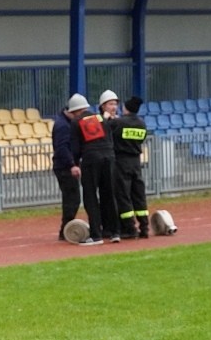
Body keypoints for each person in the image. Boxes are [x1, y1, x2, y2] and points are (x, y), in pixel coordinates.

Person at [72, 91, 119, 244]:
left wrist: (74, 163)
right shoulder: (100, 118)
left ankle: (96, 235)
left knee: (90, 197)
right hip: (109, 157)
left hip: (91, 159)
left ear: (75, 111)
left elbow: (75, 147)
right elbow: (109, 137)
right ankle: (114, 232)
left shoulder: (76, 121)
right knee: (109, 195)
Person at [109, 96, 150, 239]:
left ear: (126, 108)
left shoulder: (118, 122)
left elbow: (108, 130)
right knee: (139, 195)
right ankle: (144, 227)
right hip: (136, 162)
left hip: (121, 161)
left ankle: (130, 228)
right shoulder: (142, 124)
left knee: (123, 195)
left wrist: (109, 118)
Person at [52, 94, 85, 241]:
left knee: (72, 198)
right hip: (64, 167)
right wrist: (72, 164)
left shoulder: (66, 123)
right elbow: (62, 148)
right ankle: (66, 230)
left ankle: (66, 228)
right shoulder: (62, 126)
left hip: (66, 165)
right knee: (72, 199)